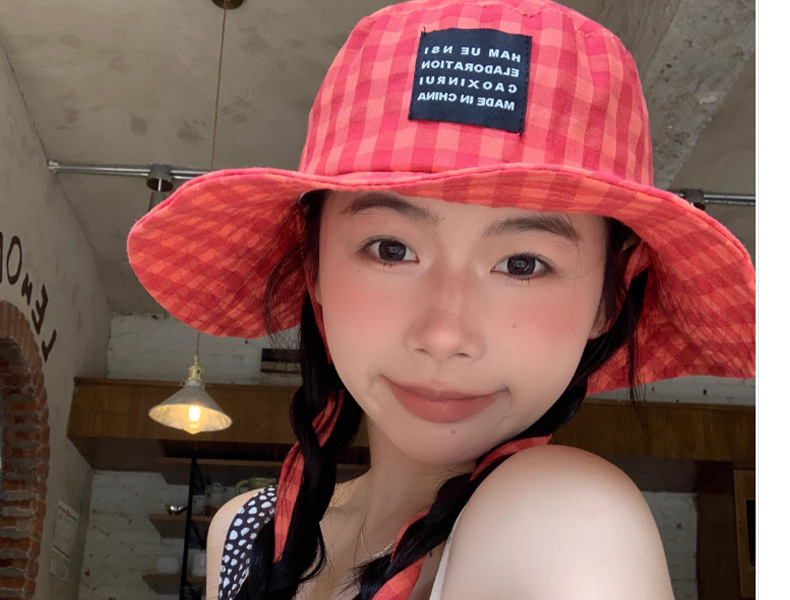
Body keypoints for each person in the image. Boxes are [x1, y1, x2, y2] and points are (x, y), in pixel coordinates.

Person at [127, 0, 756, 598]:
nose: (444, 335)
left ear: (609, 301)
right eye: (391, 249)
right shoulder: (245, 532)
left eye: (523, 264)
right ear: (313, 264)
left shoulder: (569, 520)